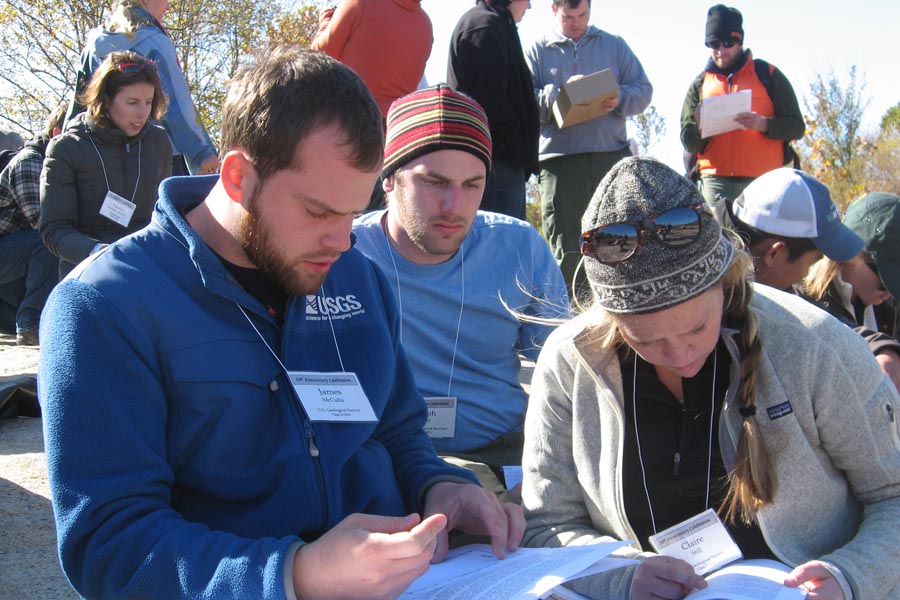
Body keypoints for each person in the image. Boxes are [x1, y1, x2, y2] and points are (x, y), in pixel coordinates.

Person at [39, 46, 522, 600]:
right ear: (238, 177)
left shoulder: (356, 276)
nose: (341, 241)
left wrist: (438, 485)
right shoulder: (105, 305)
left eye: (352, 213)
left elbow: (397, 430)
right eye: (319, 212)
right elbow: (110, 544)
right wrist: (296, 575)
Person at [521, 157, 900, 599]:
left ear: (725, 282)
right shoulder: (571, 360)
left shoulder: (815, 345)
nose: (681, 357)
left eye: (697, 328)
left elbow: (891, 494)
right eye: (645, 340)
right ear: (610, 318)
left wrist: (849, 576)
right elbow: (547, 525)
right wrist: (619, 577)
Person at [353, 84, 569, 500]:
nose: (454, 206)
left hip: (503, 455)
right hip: (383, 461)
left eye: (472, 185)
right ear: (389, 178)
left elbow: (565, 373)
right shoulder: (342, 252)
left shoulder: (518, 247)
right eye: (433, 182)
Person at [525, 0, 652, 300]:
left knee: (617, 241)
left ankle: (619, 311)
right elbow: (523, 101)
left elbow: (643, 90)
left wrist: (619, 97)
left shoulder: (614, 45)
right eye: (568, 17)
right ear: (553, 10)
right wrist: (561, 95)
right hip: (560, 163)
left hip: (610, 157)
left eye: (582, 15)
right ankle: (569, 315)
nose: (576, 22)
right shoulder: (537, 50)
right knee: (568, 249)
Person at [40, 51, 172, 278]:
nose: (143, 113)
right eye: (132, 103)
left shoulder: (158, 142)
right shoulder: (66, 148)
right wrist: (100, 253)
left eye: (148, 102)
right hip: (88, 272)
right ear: (106, 100)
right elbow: (55, 230)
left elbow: (165, 214)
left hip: (145, 266)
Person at [680, 5, 804, 225]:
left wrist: (763, 124)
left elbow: (797, 127)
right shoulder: (700, 84)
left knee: (762, 243)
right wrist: (699, 127)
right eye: (714, 44)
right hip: (715, 180)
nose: (721, 50)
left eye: (728, 43)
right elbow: (688, 142)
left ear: (740, 42)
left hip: (764, 181)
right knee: (718, 241)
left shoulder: (768, 75)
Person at [67, 0, 218, 175]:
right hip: (158, 158)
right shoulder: (156, 43)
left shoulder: (91, 49)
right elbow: (175, 105)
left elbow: (79, 105)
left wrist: (66, 149)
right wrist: (200, 152)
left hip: (103, 160)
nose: (168, 6)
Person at [447, 0, 539, 220]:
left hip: (499, 161)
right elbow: (489, 102)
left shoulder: (494, 24)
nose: (529, 6)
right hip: (495, 164)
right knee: (498, 238)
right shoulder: (484, 26)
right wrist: (514, 140)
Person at [800, 192, 900, 386]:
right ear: (853, 254)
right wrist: (883, 349)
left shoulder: (890, 303)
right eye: (885, 281)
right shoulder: (803, 297)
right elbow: (831, 331)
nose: (889, 293)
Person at [730, 167, 862, 291]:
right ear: (774, 254)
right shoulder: (725, 298)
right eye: (812, 262)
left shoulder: (725, 283)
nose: (809, 275)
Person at [0, 103, 66, 345]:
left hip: (13, 256)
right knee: (48, 242)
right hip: (9, 252)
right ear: (57, 134)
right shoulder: (29, 161)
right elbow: (44, 224)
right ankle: (30, 323)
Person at [311, 0, 433, 122]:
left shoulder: (361, 3)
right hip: (395, 123)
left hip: (350, 117)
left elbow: (318, 59)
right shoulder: (425, 25)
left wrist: (326, 19)